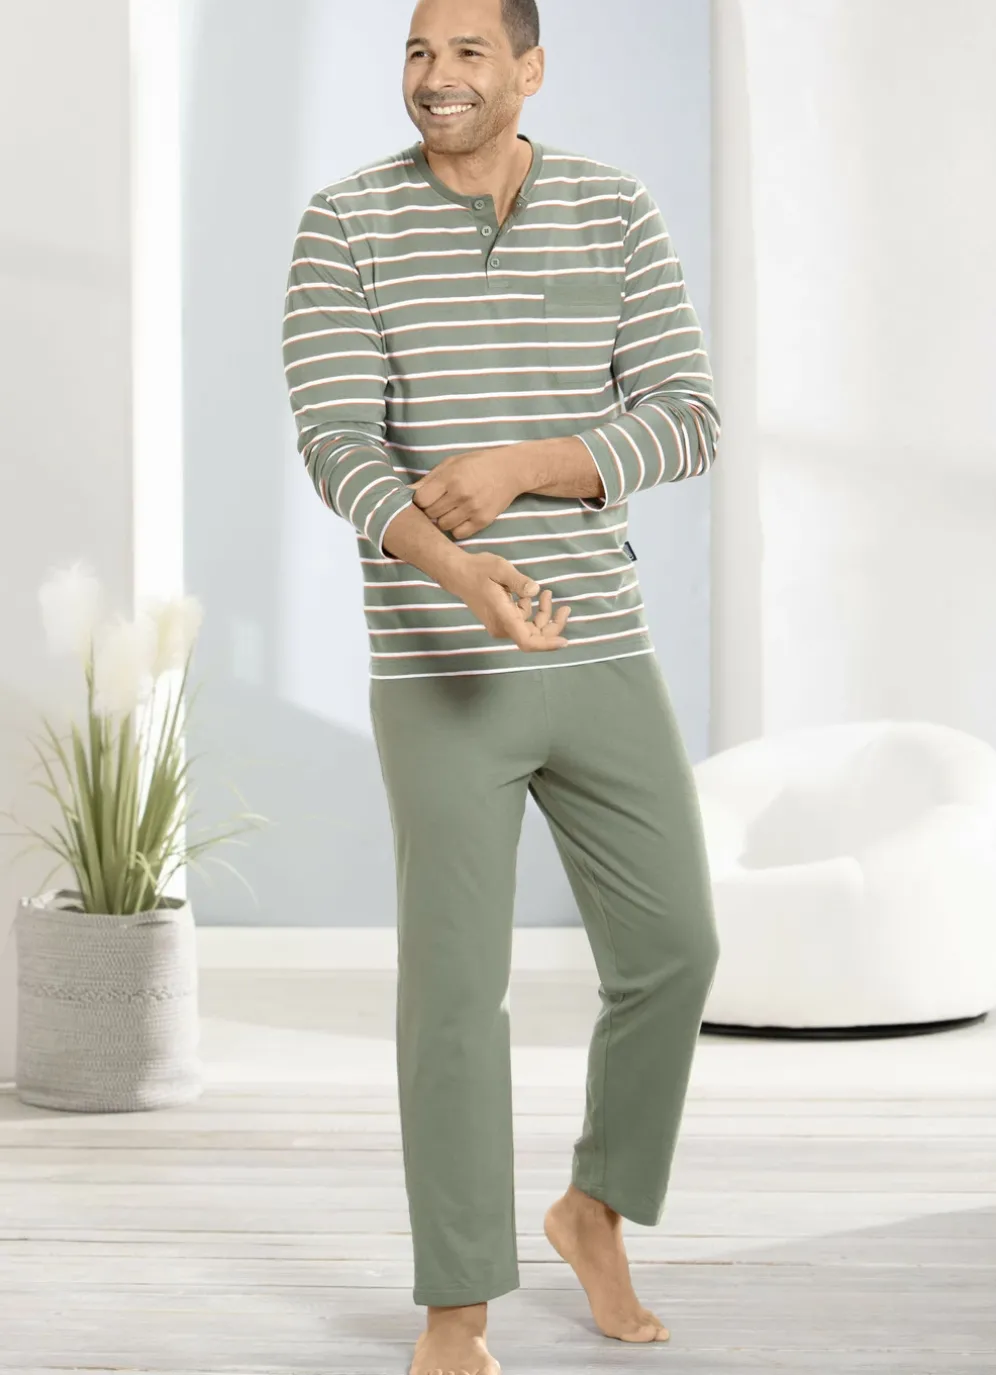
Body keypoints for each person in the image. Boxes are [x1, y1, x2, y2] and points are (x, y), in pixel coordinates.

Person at [282, 0, 721, 1370]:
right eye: (419, 51)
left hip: (602, 650)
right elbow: (338, 444)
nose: (437, 76)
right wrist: (462, 573)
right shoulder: (345, 223)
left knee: (675, 947)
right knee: (455, 993)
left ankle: (594, 1206)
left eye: (469, 51)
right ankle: (457, 1308)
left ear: (530, 68)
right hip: (442, 666)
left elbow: (688, 417)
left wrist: (526, 465)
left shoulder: (614, 209)